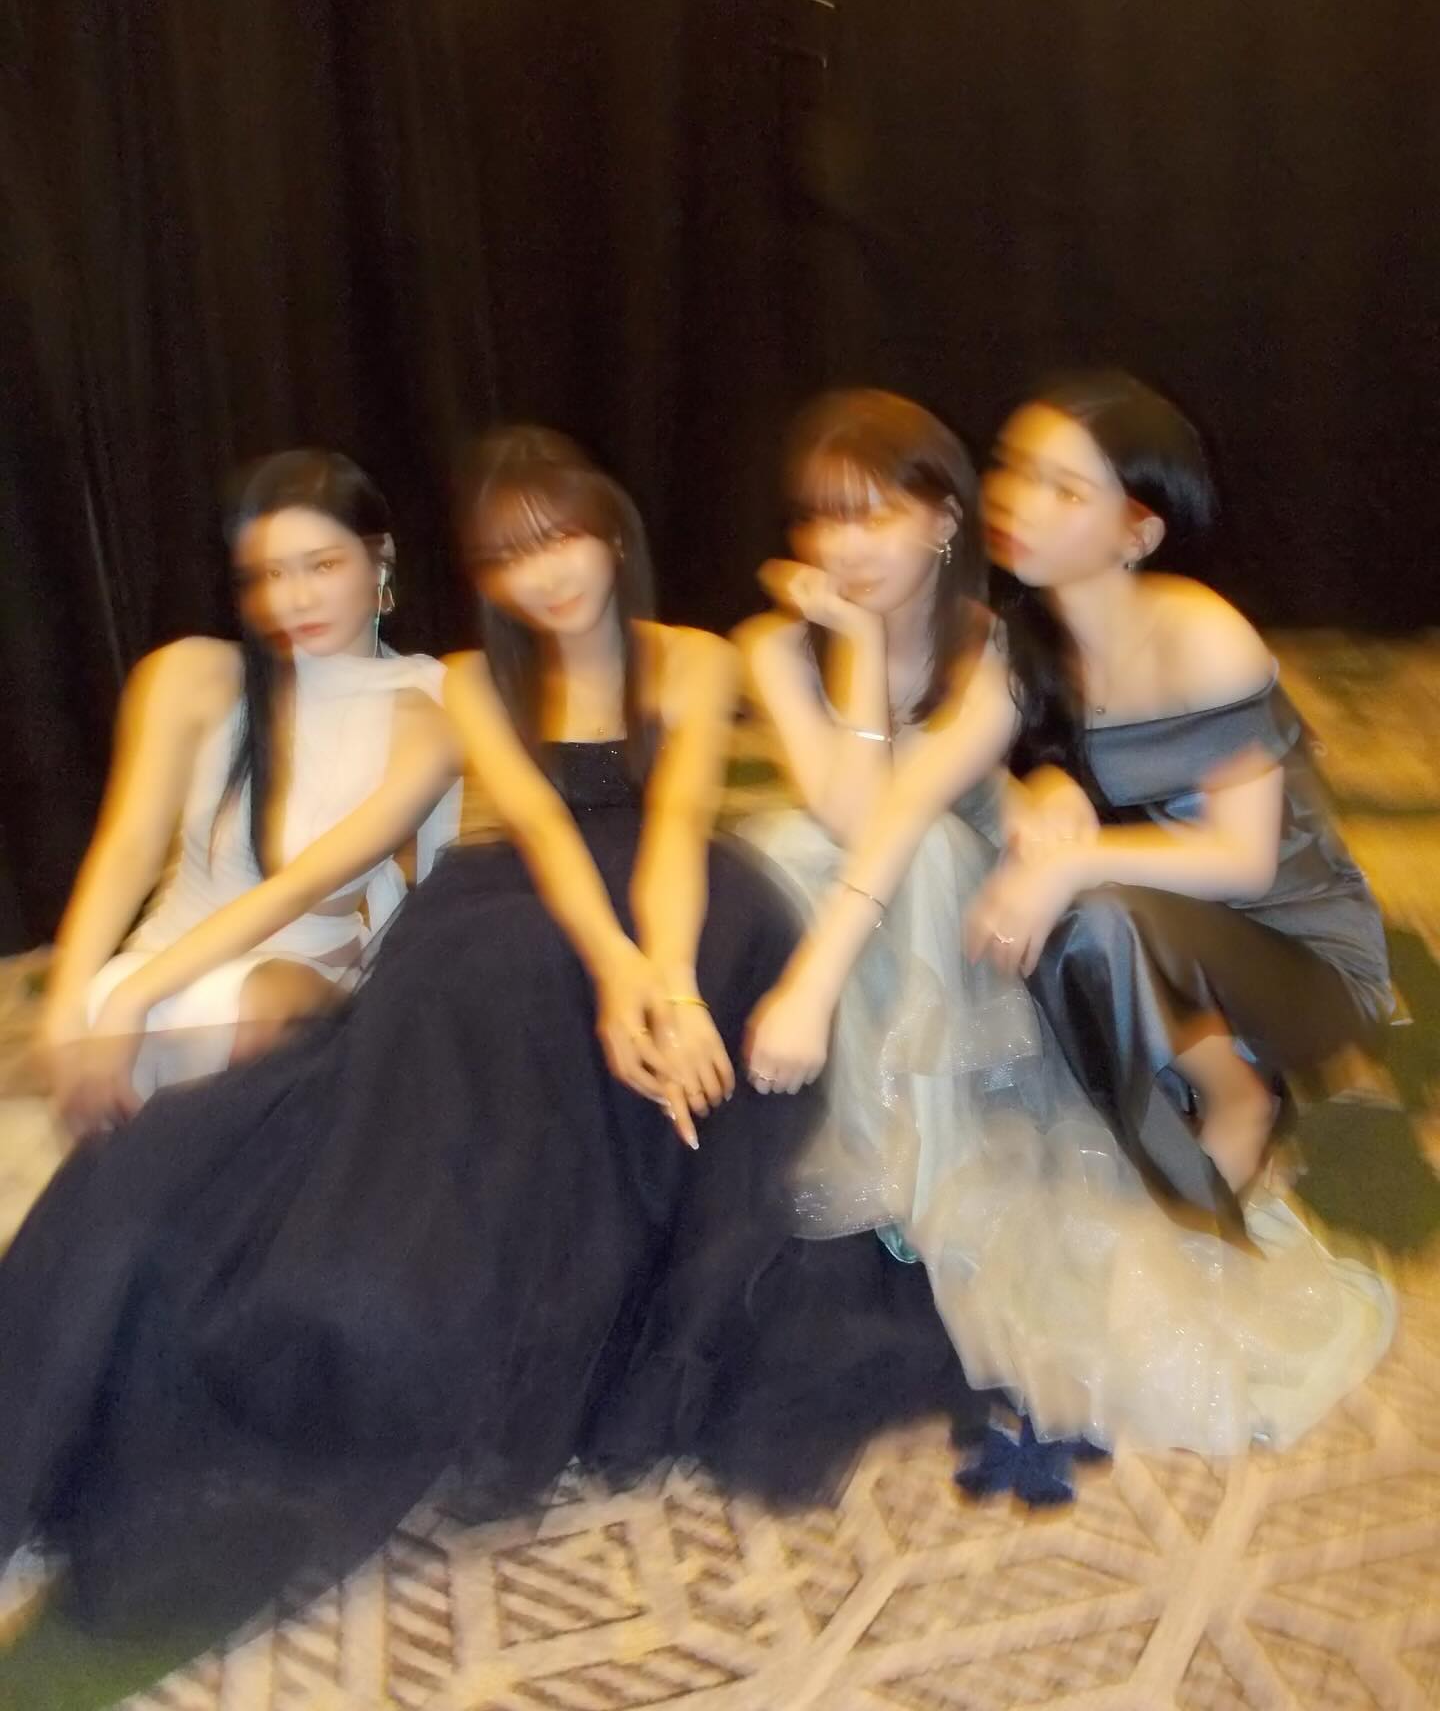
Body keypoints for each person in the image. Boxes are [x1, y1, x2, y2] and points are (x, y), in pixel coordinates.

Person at [0, 429, 974, 1645]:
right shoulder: (472, 679)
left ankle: (528, 1280)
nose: (542, 573)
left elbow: (674, 822)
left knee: (592, 1030)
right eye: (509, 556)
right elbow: (548, 837)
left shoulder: (694, 656)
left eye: (559, 538)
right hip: (530, 905)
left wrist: (668, 985)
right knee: (424, 1054)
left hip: (684, 906)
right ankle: (339, 1305)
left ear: (610, 533)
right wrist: (616, 978)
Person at [747, 372, 1394, 1458]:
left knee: (1073, 905)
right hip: (1148, 925)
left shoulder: (1205, 633)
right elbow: (899, 806)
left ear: (1137, 531)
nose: (1017, 501)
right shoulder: (1023, 645)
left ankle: (1239, 1097)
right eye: (1015, 471)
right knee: (1030, 909)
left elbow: (1244, 860)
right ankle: (1170, 1111)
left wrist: (1068, 859)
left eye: (1064, 489)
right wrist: (809, 985)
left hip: (1292, 948)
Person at [37, 450, 461, 1134]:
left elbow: (299, 887)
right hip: (160, 962)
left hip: (294, 979)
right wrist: (67, 1007)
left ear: (378, 559)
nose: (295, 600)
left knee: (246, 1012)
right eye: (270, 574)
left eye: (322, 566)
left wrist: (133, 999)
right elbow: (128, 848)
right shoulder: (191, 674)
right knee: (107, 1020)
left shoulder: (428, 714)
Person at [734, 390, 1047, 1254]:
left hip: (963, 904)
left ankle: (933, 1171)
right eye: (823, 519)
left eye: (873, 517)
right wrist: (860, 646)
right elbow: (846, 814)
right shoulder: (774, 647)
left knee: (931, 847)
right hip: (851, 875)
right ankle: (845, 1147)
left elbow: (898, 817)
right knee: (780, 842)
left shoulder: (995, 652)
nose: (842, 548)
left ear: (944, 520)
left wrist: (811, 988)